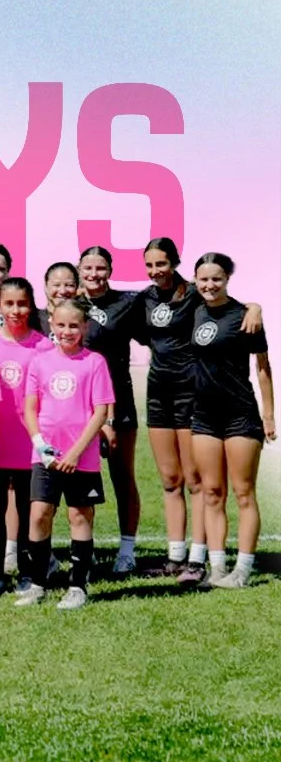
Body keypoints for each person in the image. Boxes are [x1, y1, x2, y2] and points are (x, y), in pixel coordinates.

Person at [137, 238, 262, 582]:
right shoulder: (150, 299)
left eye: (161, 263)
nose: (155, 271)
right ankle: (190, 561)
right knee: (185, 484)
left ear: (176, 264)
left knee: (216, 486)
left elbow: (233, 307)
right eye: (149, 265)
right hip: (175, 401)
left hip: (210, 402)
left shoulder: (197, 295)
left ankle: (209, 561)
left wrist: (255, 307)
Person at [17, 298, 114, 610]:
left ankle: (78, 586)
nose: (67, 331)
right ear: (51, 325)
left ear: (85, 326)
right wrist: (40, 444)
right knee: (39, 514)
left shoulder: (94, 362)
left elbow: (100, 412)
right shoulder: (39, 361)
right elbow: (30, 408)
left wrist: (75, 452)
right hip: (45, 455)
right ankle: (37, 584)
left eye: (74, 325)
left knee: (79, 515)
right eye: (61, 325)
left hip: (80, 457)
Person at [188, 253, 274, 588]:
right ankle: (218, 568)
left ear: (227, 280)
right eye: (203, 279)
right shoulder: (192, 312)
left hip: (240, 414)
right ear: (195, 280)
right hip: (204, 417)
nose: (209, 285)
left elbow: (263, 368)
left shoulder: (244, 316)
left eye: (216, 279)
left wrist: (269, 415)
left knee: (243, 492)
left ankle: (242, 570)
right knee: (211, 492)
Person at [75, 246, 143, 573]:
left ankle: (127, 551)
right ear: (79, 269)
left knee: (121, 477)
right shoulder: (69, 305)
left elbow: (170, 316)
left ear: (110, 270)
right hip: (77, 409)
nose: (93, 274)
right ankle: (82, 552)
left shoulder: (127, 304)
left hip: (119, 405)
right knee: (81, 481)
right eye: (87, 267)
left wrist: (252, 305)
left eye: (100, 268)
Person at [0, 278, 47, 592]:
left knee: (26, 508)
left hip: (29, 444)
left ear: (31, 305)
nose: (16, 310)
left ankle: (28, 574)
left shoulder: (43, 346)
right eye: (9, 303)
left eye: (22, 303)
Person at [38, 262, 79, 339]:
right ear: (46, 287)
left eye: (69, 285)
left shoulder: (88, 324)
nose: (63, 291)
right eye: (56, 285)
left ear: (76, 288)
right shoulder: (33, 321)